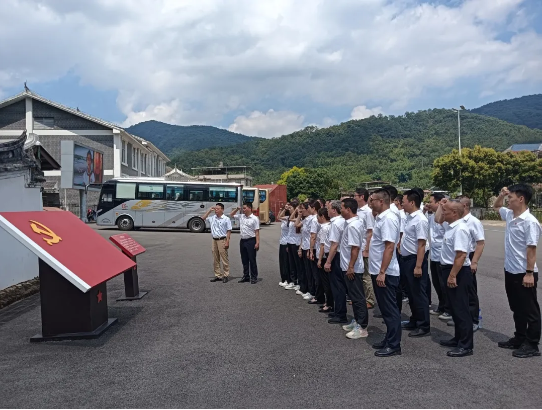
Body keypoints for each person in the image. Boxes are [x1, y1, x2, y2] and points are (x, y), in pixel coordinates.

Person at [494, 185, 541, 358]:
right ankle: (520, 337)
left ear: (521, 199)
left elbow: (531, 249)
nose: (508, 200)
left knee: (530, 310)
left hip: (524, 272)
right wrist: (501, 194)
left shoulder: (530, 222)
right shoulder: (510, 215)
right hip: (511, 270)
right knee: (516, 307)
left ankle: (532, 344)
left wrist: (529, 273)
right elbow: (496, 206)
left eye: (510, 197)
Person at [437, 199, 474, 357]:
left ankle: (466, 345)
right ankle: (458, 338)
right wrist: (441, 206)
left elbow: (461, 255)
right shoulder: (451, 226)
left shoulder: (460, 229)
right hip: (449, 269)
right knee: (454, 308)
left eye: (446, 210)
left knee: (460, 308)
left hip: (458, 271)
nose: (443, 213)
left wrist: (452, 275)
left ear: (454, 213)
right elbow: (438, 219)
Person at [370, 189, 402, 356]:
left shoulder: (388, 219)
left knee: (390, 310)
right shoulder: (381, 217)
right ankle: (389, 339)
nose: (370, 203)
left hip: (386, 272)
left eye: (372, 200)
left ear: (381, 201)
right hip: (379, 269)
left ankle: (394, 345)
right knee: (385, 309)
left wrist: (382, 271)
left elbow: (389, 247)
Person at [400, 189, 431, 337]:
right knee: (411, 293)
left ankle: (423, 325)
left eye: (404, 201)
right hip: (406, 260)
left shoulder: (420, 220)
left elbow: (421, 244)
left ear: (412, 202)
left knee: (418, 293)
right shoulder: (409, 217)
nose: (402, 204)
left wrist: (418, 266)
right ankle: (414, 319)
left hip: (415, 260)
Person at [339, 198, 369, 339]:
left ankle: (362, 327)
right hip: (349, 266)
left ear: (348, 209)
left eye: (342, 208)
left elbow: (355, 248)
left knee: (357, 298)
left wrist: (351, 266)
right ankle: (357, 321)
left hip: (353, 268)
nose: (340, 210)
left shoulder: (353, 225)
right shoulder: (352, 223)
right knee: (354, 296)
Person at [458, 196, 485, 332]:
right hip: (459, 256)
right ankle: (463, 318)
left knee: (470, 290)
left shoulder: (473, 222)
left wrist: (474, 262)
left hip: (469, 256)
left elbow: (480, 243)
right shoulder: (458, 220)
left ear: (465, 206)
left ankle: (475, 320)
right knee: (460, 290)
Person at [426, 193, 452, 321]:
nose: (429, 204)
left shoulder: (446, 217)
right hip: (434, 255)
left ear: (438, 203)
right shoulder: (431, 217)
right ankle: (441, 306)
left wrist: (442, 207)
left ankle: (449, 309)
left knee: (444, 284)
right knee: (437, 283)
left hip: (443, 255)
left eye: (431, 201)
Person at [324, 200, 348, 324]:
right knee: (338, 286)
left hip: (336, 255)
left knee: (337, 286)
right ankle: (338, 310)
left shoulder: (335, 223)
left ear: (334, 210)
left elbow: (334, 244)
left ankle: (340, 314)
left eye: (328, 208)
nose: (327, 210)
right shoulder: (341, 221)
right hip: (339, 255)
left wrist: (328, 261)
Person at [354, 187, 376, 309]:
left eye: (355, 196)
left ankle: (370, 299)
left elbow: (370, 231)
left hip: (364, 246)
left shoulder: (368, 212)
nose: (354, 198)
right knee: (358, 273)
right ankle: (360, 297)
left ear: (362, 197)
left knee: (366, 275)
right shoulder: (357, 210)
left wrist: (367, 249)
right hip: (357, 246)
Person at [230, 203, 260, 284]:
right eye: (243, 208)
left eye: (244, 208)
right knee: (244, 260)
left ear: (249, 208)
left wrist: (257, 242)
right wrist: (237, 209)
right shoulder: (241, 216)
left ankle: (254, 277)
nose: (243, 210)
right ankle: (246, 276)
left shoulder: (254, 218)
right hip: (243, 240)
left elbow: (257, 232)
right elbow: (231, 215)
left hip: (251, 240)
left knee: (252, 259)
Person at [202, 203, 232, 283]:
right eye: (215, 209)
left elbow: (229, 231)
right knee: (215, 259)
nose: (216, 210)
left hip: (222, 239)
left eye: (218, 209)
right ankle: (218, 275)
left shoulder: (226, 219)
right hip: (214, 240)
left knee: (224, 258)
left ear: (222, 209)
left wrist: (227, 241)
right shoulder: (212, 218)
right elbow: (203, 218)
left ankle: (226, 275)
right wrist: (209, 211)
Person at [317, 207, 334, 313]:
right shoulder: (330, 225)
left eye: (318, 216)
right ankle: (329, 302)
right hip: (327, 256)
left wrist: (319, 259)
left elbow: (322, 245)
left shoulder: (324, 228)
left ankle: (329, 303)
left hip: (324, 257)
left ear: (322, 216)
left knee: (326, 282)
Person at [296, 203, 313, 300]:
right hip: (304, 247)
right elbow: (296, 225)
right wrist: (299, 215)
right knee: (305, 271)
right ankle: (306, 289)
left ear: (308, 209)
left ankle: (312, 292)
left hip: (309, 248)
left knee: (310, 272)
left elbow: (312, 236)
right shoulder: (305, 219)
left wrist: (310, 250)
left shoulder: (312, 219)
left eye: (302, 209)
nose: (301, 210)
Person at [308, 200, 324, 305]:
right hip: (320, 248)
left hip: (317, 248)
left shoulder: (314, 220)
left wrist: (310, 250)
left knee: (316, 274)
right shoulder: (319, 218)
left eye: (309, 207)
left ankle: (318, 296)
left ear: (313, 208)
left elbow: (313, 236)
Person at [285, 201, 303, 291]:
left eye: (291, 207)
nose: (289, 209)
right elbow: (290, 219)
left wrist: (296, 211)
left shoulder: (300, 219)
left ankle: (299, 282)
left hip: (297, 243)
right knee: (291, 263)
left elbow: (293, 220)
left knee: (297, 264)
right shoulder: (292, 218)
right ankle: (293, 281)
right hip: (290, 242)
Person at [277, 205, 292, 287]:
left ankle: (288, 279)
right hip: (282, 242)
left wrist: (287, 209)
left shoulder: (290, 219)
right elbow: (278, 217)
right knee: (282, 261)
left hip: (287, 242)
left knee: (287, 262)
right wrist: (284, 209)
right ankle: (283, 278)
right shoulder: (285, 218)